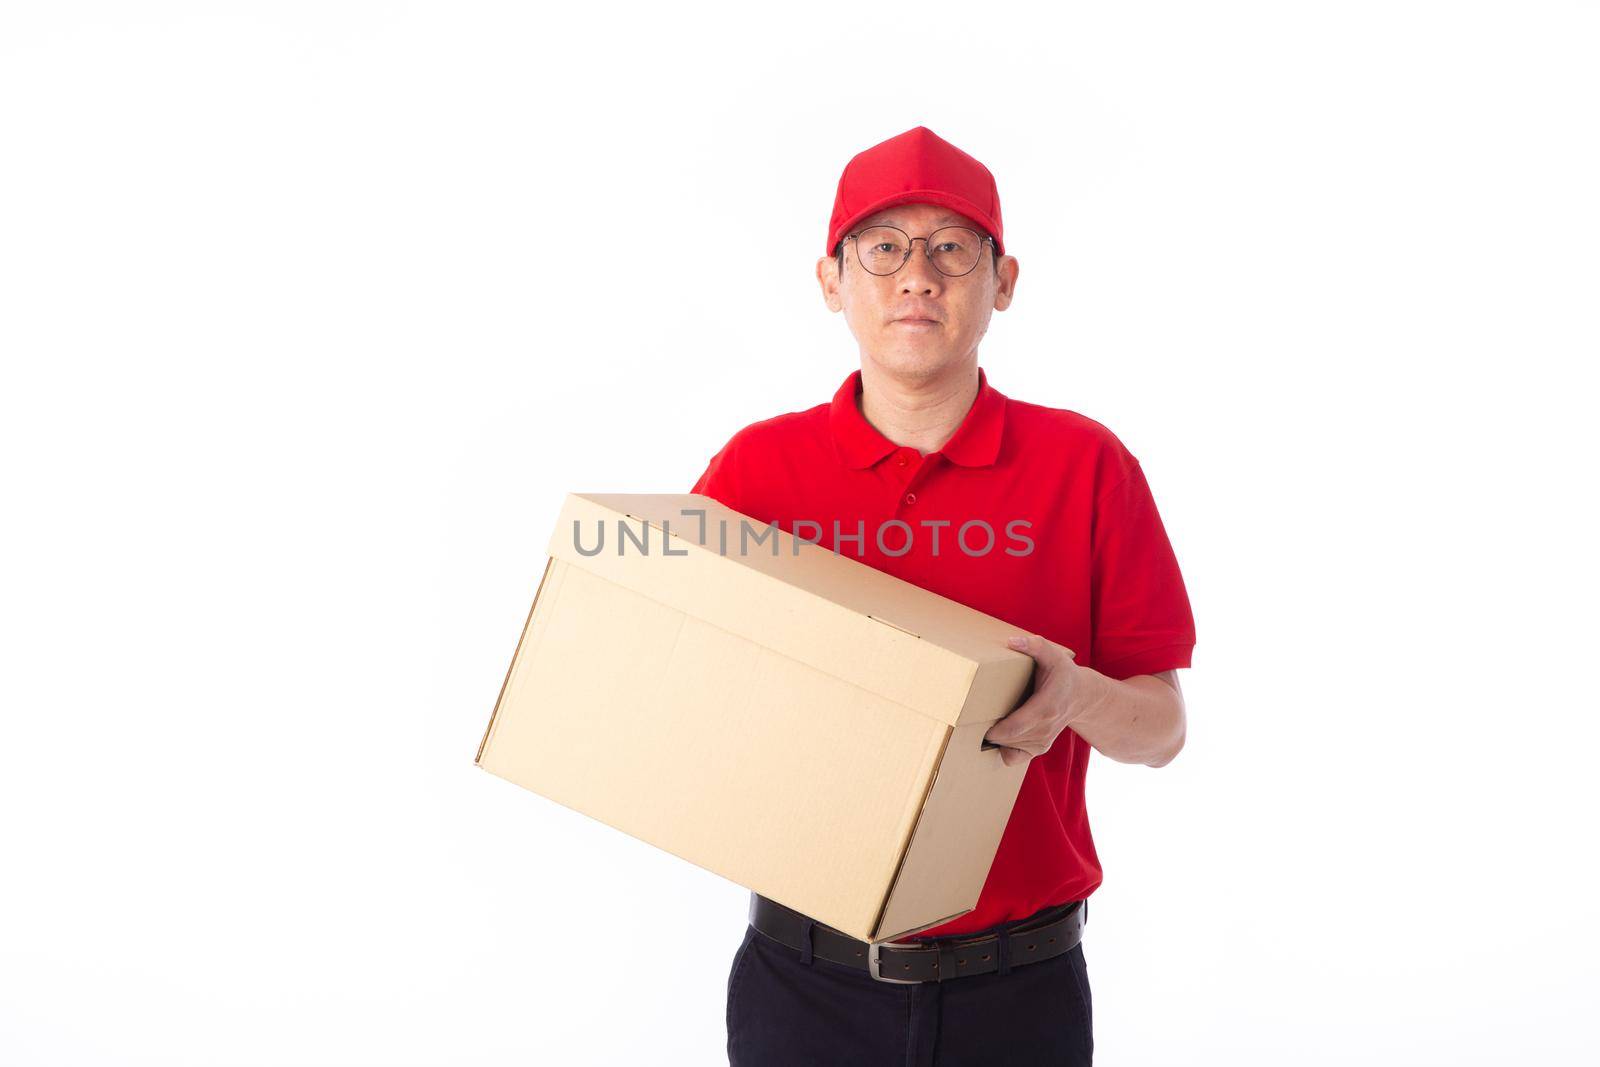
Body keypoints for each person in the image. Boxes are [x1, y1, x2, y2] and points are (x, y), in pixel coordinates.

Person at [692, 125, 1196, 1067]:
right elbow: (682, 687)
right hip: (804, 988)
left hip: (1022, 993)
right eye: (883, 247)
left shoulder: (1086, 467)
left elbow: (1162, 731)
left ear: (1003, 281)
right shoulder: (755, 471)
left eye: (952, 248)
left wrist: (1075, 695)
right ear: (831, 281)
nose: (916, 276)